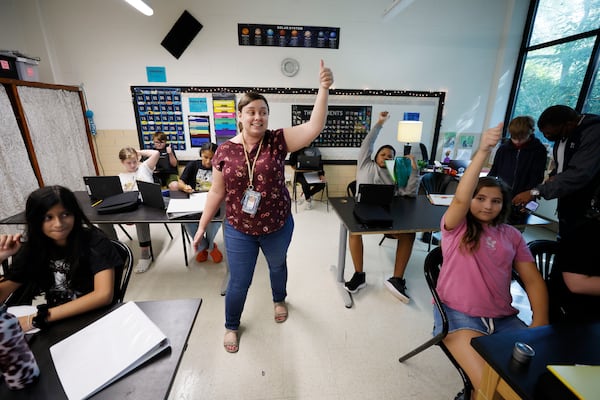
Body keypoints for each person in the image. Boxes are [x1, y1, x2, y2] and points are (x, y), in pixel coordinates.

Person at [192, 60, 333, 353]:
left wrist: (323, 89)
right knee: (239, 280)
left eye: (263, 112)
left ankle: (278, 298)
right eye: (252, 112)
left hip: (277, 225)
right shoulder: (224, 150)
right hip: (239, 228)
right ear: (239, 116)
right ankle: (232, 325)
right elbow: (217, 191)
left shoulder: (277, 141)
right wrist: (203, 226)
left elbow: (314, 126)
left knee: (277, 265)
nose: (258, 117)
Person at [434, 123, 549, 397]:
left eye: (495, 201)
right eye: (481, 198)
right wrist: (484, 150)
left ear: (503, 205)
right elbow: (461, 200)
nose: (487, 205)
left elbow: (533, 281)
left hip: (505, 319)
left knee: (530, 386)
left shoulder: (511, 235)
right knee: (493, 389)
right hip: (459, 316)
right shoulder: (457, 228)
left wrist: (540, 325)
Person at [512, 105, 600, 322]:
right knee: (563, 280)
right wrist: (551, 179)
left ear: (567, 124)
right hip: (571, 216)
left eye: (550, 134)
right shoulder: (564, 138)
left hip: (589, 217)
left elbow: (579, 174)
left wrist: (536, 191)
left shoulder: (593, 133)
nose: (548, 138)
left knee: (575, 280)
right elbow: (561, 170)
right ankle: (554, 320)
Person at [0, 186, 122, 332]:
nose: (58, 224)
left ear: (75, 214)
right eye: (48, 217)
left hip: (97, 319)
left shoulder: (94, 240)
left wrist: (37, 318)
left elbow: (103, 295)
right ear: (35, 220)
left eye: (65, 214)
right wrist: (1, 258)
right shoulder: (32, 249)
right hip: (59, 321)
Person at [344, 111, 420, 303]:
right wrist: (379, 123)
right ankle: (359, 275)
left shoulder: (395, 172)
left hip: (387, 214)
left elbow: (408, 193)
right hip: (364, 211)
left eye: (390, 156)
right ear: (376, 155)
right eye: (383, 153)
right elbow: (368, 143)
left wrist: (414, 172)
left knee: (408, 234)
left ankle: (397, 279)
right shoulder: (365, 164)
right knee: (354, 232)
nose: (386, 156)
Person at [99, 147, 159, 273]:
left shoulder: (145, 168)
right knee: (101, 220)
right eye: (128, 163)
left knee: (140, 217)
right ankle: (118, 252)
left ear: (138, 159)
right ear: (122, 162)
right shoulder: (120, 177)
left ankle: (145, 254)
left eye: (134, 161)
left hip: (144, 207)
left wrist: (138, 152)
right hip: (127, 208)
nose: (132, 165)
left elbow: (156, 153)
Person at [488, 115, 547, 224]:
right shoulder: (503, 149)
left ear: (532, 131)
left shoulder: (539, 150)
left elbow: (537, 177)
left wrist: (531, 194)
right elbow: (494, 171)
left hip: (525, 196)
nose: (517, 141)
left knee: (517, 228)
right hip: (502, 195)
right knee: (496, 225)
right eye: (514, 138)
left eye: (522, 138)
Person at [177, 142, 223, 263]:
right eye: (205, 157)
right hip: (194, 202)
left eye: (212, 158)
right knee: (187, 221)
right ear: (201, 154)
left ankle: (208, 247)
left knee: (213, 222)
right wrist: (184, 187)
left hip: (212, 202)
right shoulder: (193, 165)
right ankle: (205, 247)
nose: (208, 161)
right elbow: (180, 182)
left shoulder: (219, 167)